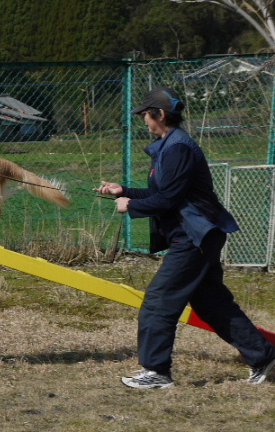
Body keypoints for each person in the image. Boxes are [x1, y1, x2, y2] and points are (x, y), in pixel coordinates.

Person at [94, 86, 275, 389]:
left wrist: (132, 206)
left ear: (160, 114)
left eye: (145, 115)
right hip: (196, 235)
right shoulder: (169, 145)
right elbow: (161, 193)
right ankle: (264, 355)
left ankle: (157, 372)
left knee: (158, 302)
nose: (144, 121)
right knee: (212, 303)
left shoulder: (178, 148)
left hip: (195, 237)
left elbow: (167, 200)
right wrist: (123, 190)